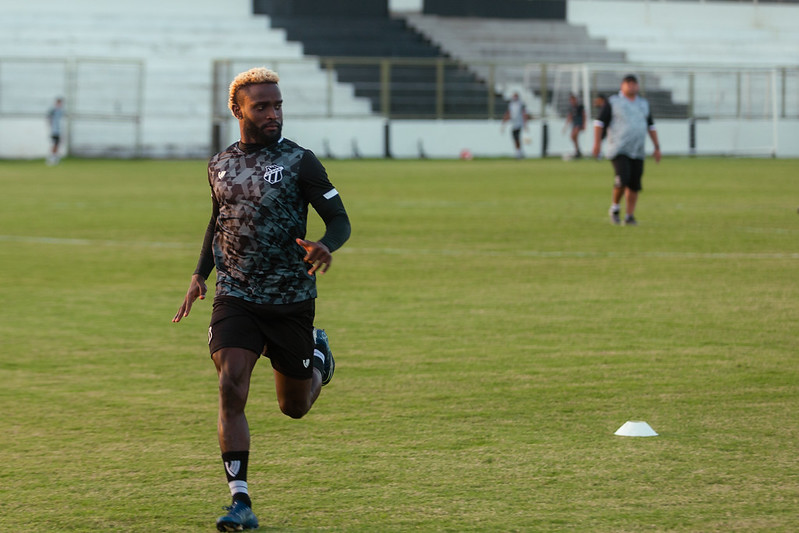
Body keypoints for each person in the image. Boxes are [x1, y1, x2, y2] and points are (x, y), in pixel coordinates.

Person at [172, 67, 351, 531]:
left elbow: (339, 218)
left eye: (278, 105)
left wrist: (327, 243)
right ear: (238, 110)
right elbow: (219, 221)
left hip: (290, 298)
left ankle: (317, 358)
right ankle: (240, 501)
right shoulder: (218, 164)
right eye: (262, 106)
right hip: (237, 294)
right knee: (231, 384)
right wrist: (198, 274)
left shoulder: (299, 161)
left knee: (294, 406)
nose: (274, 114)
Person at [592, 75, 661, 226]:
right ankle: (615, 207)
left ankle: (629, 216)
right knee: (623, 178)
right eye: (628, 83)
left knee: (634, 184)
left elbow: (651, 126)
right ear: (622, 85)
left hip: (638, 149)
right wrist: (596, 144)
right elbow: (599, 123)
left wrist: (656, 147)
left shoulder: (643, 104)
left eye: (634, 83)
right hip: (619, 148)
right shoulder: (613, 102)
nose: (631, 86)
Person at [501, 92, 531, 159]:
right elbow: (509, 113)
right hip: (514, 124)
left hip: (519, 124)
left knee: (517, 138)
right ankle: (519, 152)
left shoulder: (520, 104)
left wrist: (525, 124)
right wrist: (504, 122)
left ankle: (519, 153)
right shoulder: (511, 104)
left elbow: (524, 114)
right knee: (515, 138)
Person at [565, 93, 586, 158]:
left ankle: (577, 151)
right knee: (573, 137)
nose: (572, 101)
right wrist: (566, 125)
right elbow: (570, 116)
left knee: (574, 135)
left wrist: (584, 124)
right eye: (571, 100)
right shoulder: (571, 107)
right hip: (574, 124)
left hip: (579, 123)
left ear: (575, 100)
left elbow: (584, 115)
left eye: (573, 100)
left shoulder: (579, 106)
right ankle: (577, 151)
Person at [47, 98, 64, 165]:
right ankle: (51, 158)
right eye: (59, 103)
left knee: (57, 144)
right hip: (54, 130)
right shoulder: (53, 110)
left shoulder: (61, 111)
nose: (60, 104)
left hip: (59, 130)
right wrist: (51, 127)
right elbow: (49, 118)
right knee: (54, 144)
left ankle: (55, 157)